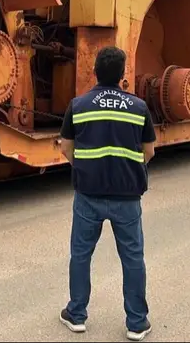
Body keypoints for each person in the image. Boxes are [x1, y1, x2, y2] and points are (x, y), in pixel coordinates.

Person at [57, 46, 157, 341]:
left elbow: (65, 146)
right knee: (133, 258)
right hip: (127, 197)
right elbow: (149, 151)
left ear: (95, 72)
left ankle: (76, 315)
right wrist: (129, 168)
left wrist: (83, 166)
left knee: (81, 255)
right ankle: (137, 323)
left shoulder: (79, 105)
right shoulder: (138, 107)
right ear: (123, 74)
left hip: (88, 195)